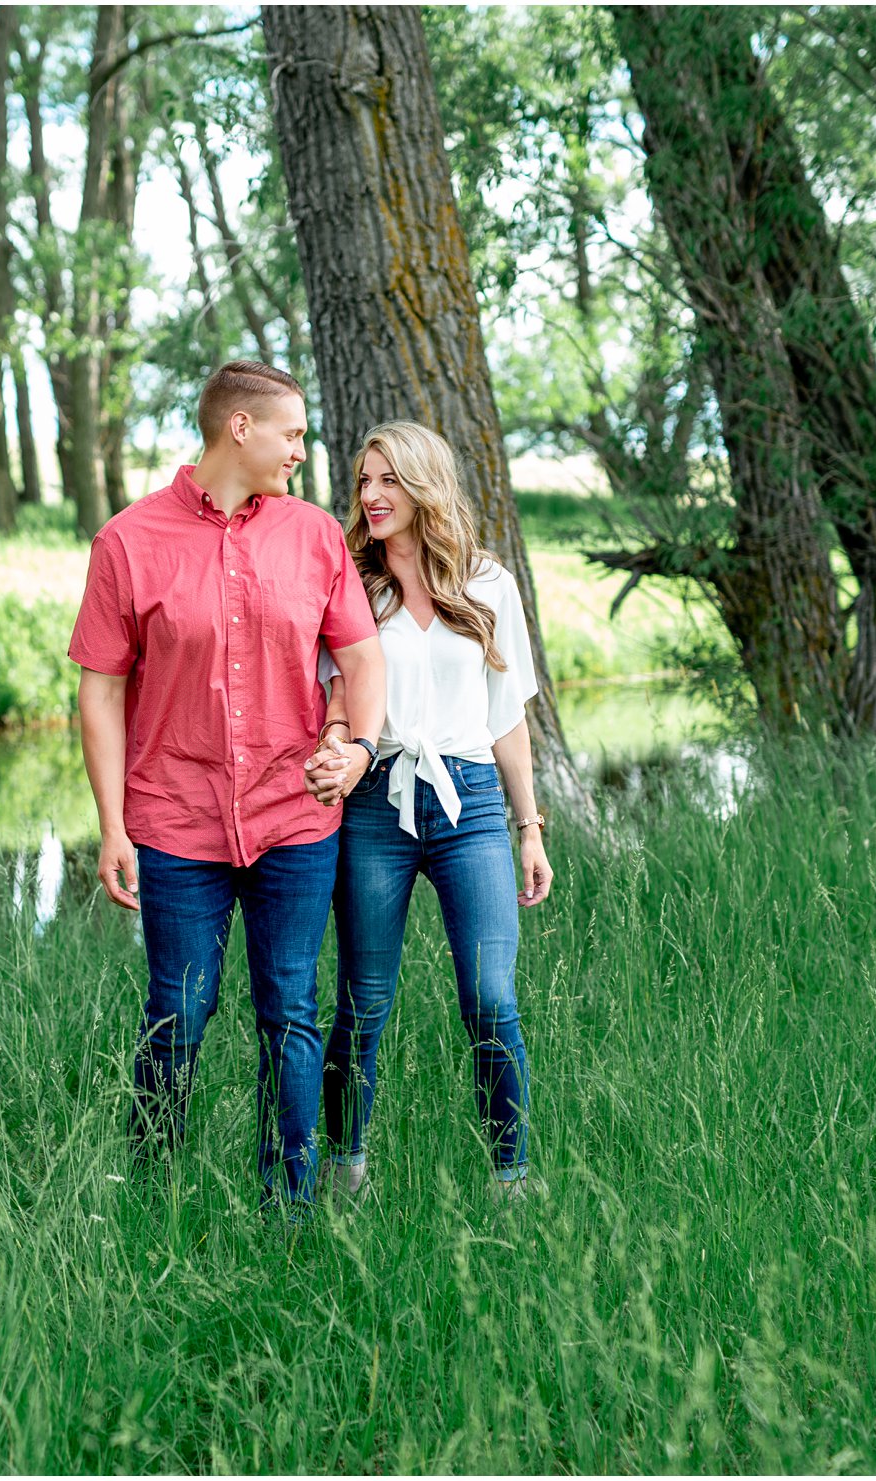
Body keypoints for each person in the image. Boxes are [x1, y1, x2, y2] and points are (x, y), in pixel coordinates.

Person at [68, 360, 387, 1214]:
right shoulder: (128, 542)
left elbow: (360, 657)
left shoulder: (315, 534)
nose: (301, 448)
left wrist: (356, 748)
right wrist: (111, 826)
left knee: (291, 1010)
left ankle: (289, 1201)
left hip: (295, 816)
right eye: (292, 432)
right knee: (178, 1014)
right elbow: (98, 690)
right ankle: (149, 1192)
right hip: (175, 824)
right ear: (239, 429)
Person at [306, 420, 553, 1198]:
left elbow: (507, 715)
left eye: (387, 480)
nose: (371, 496)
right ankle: (346, 1168)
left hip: (471, 802)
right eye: (362, 482)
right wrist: (338, 748)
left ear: (423, 484)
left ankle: (512, 1176)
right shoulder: (349, 584)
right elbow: (337, 700)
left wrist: (529, 827)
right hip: (376, 803)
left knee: (491, 997)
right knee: (364, 1000)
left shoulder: (489, 585)